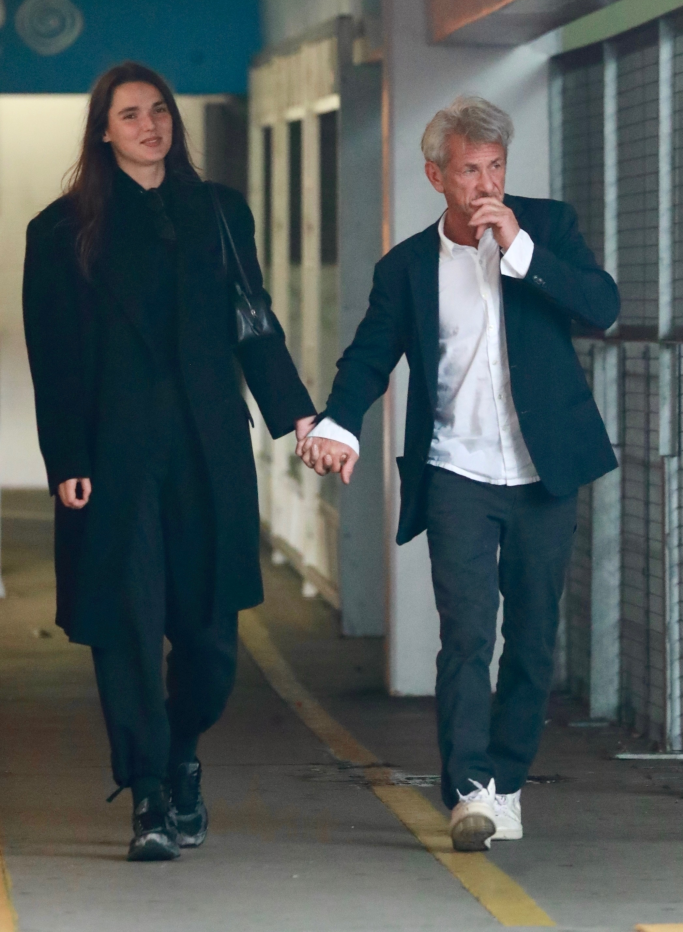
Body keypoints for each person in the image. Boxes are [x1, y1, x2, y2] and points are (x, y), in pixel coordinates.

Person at [297, 95, 619, 851]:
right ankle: (468, 788)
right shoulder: (405, 268)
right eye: (469, 170)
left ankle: (508, 784)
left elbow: (600, 304)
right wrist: (339, 422)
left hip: (543, 473)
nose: (485, 185)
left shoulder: (547, 225)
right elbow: (370, 355)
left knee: (534, 637)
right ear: (435, 175)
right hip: (456, 473)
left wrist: (523, 251)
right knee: (468, 632)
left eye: (495, 168)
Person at [23, 62, 317, 862]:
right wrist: (67, 458)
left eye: (159, 111)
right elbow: (52, 358)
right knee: (125, 623)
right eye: (130, 115)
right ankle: (149, 792)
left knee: (209, 634)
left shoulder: (220, 214)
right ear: (103, 131)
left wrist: (298, 417)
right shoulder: (60, 230)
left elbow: (256, 327)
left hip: (205, 448)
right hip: (112, 459)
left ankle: (182, 749)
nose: (149, 125)